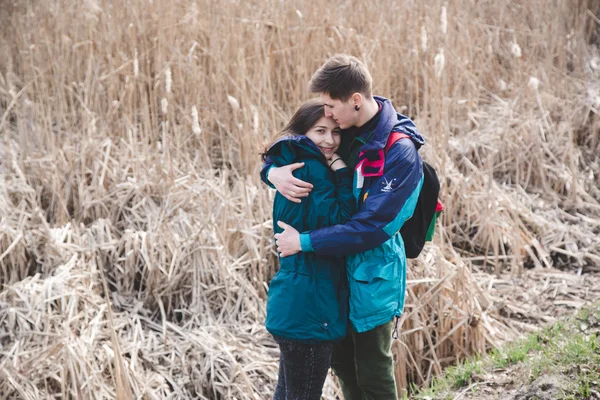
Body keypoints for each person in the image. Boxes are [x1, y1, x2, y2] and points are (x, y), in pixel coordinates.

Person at [262, 54, 425, 400]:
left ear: (355, 101)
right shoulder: (343, 132)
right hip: (331, 280)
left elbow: (371, 227)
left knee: (373, 375)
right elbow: (292, 145)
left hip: (371, 279)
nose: (328, 117)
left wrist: (304, 242)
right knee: (346, 373)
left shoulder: (400, 152)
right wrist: (271, 173)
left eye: (331, 106)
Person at [262, 98, 356, 400]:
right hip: (311, 308)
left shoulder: (291, 163)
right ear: (303, 133)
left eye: (335, 131)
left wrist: (269, 171)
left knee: (288, 394)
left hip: (293, 302)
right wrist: (341, 171)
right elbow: (342, 221)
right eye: (320, 131)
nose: (329, 140)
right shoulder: (314, 169)